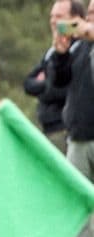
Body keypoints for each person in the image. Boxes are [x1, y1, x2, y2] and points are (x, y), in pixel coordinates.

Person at [49, 3, 94, 237]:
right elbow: (58, 84)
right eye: (89, 14)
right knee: (77, 202)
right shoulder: (79, 48)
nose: (89, 20)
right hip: (79, 135)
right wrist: (60, 55)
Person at [25, 0, 87, 152]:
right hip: (48, 128)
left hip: (66, 129)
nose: (53, 21)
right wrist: (48, 84)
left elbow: (62, 89)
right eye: (52, 16)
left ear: (76, 19)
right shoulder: (53, 51)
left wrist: (46, 84)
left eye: (59, 16)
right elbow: (28, 83)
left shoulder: (81, 49)